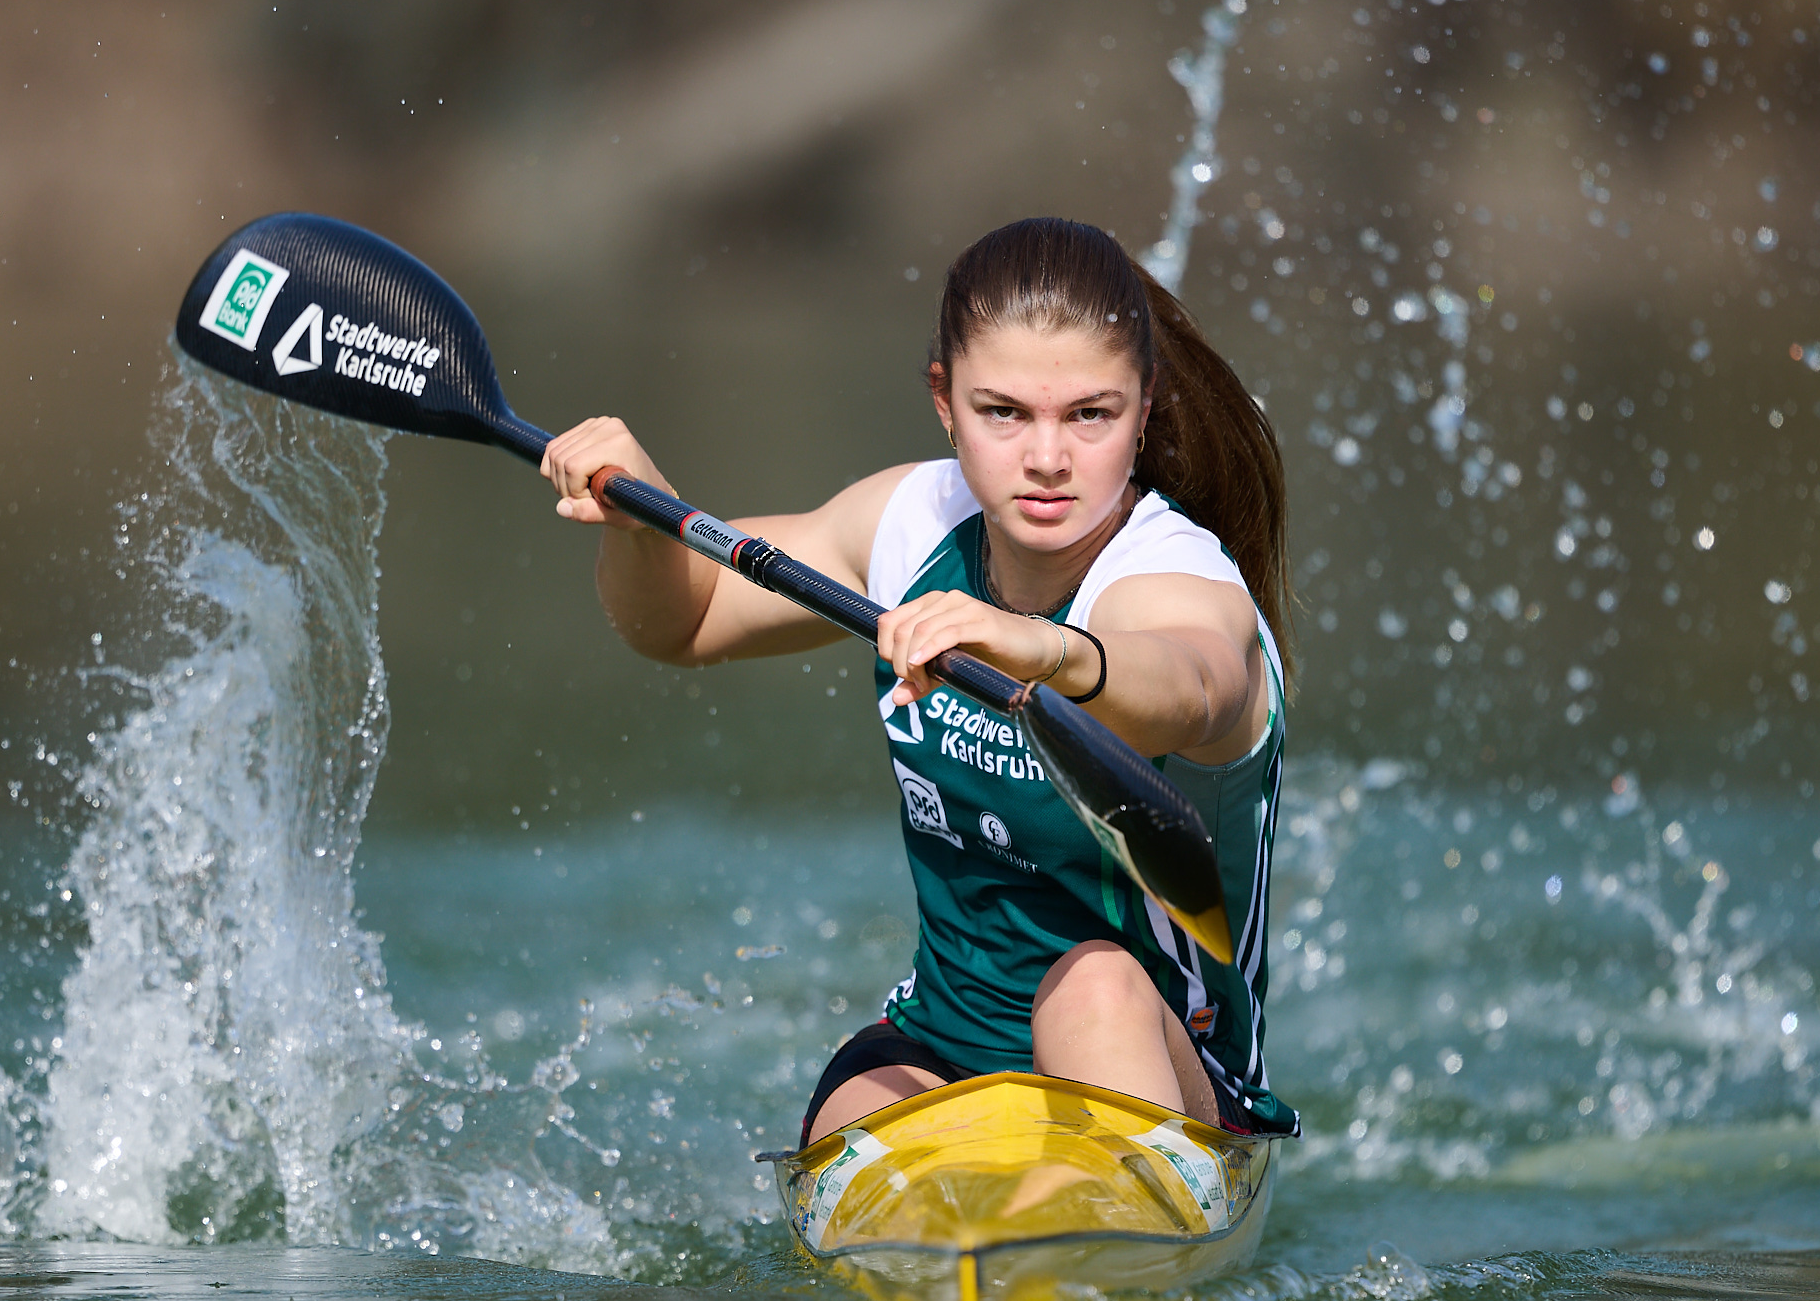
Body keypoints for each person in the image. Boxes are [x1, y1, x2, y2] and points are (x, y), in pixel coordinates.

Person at [539, 217, 1298, 1147]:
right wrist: (639, 522)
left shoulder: (1175, 577)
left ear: (1146, 407)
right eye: (1003, 412)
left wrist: (1036, 648)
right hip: (945, 1043)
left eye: (1089, 415)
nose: (1048, 458)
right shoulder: (908, 523)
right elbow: (685, 621)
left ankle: (1119, 1235)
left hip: (1168, 1066)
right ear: (945, 401)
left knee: (1092, 987)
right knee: (848, 1119)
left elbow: (1191, 684)